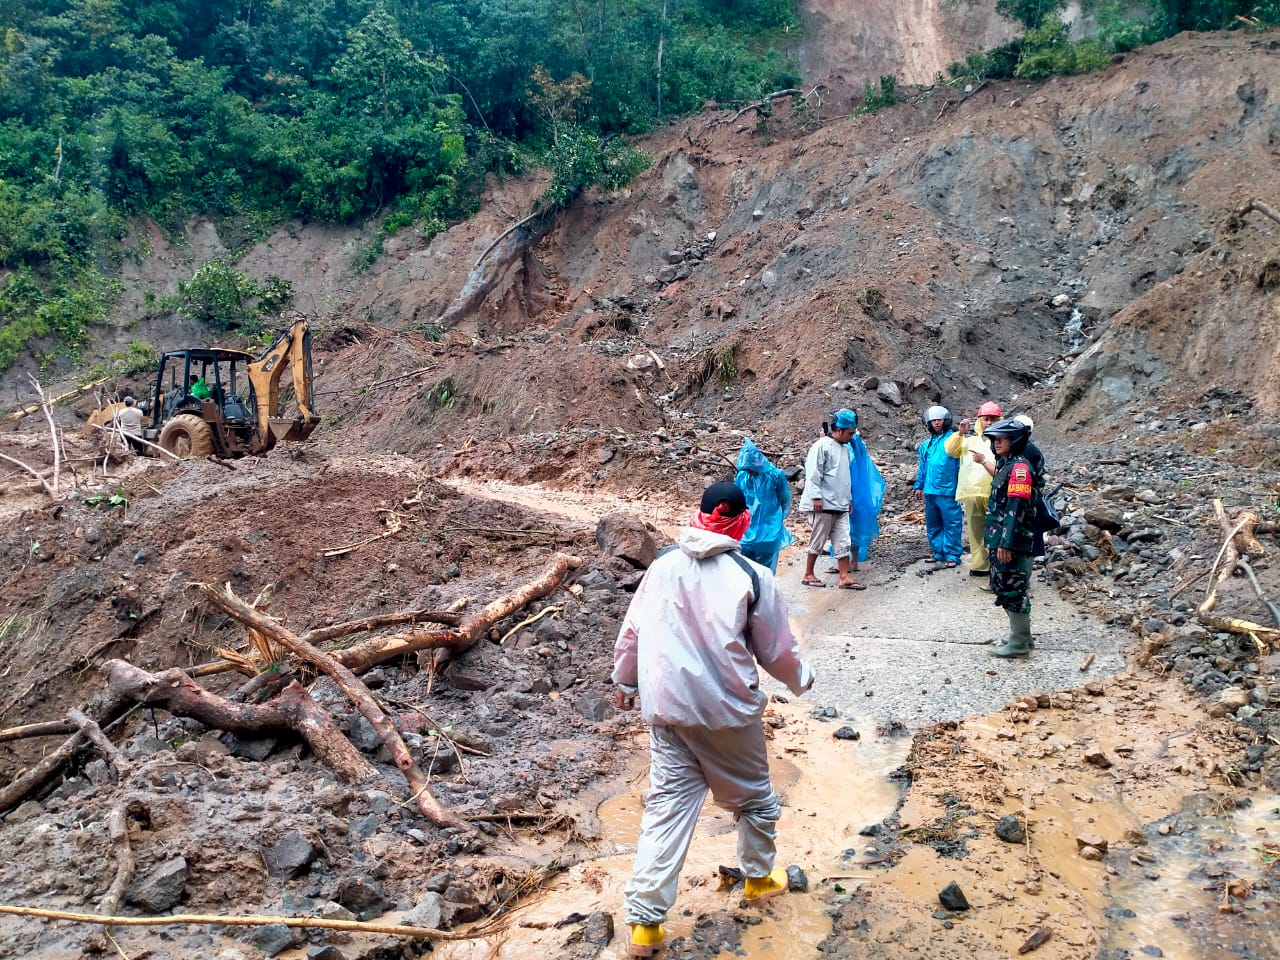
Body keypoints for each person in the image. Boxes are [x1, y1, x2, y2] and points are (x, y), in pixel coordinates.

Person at [613, 481, 815, 957]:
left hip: (666, 710)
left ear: (699, 515)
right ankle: (759, 881)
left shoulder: (662, 566)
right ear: (744, 521)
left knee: (665, 810)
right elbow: (776, 650)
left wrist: (624, 683)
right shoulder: (752, 575)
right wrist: (801, 678)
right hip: (726, 713)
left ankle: (645, 927)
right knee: (755, 801)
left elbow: (633, 630)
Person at [980, 419, 1037, 658]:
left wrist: (1006, 542)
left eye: (1001, 439)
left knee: (1012, 589)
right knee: (1003, 586)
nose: (996, 444)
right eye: (994, 440)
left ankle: (1019, 644)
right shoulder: (1006, 464)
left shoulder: (1019, 469)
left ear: (1015, 441)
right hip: (999, 538)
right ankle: (1023, 637)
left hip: (1011, 541)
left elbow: (1016, 507)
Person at [799, 409, 861, 589]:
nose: (851, 437)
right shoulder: (821, 446)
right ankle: (808, 574)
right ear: (839, 430)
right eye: (849, 433)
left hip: (840, 504)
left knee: (843, 541)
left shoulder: (844, 449)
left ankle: (844, 577)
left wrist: (848, 499)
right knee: (817, 540)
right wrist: (816, 497)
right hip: (823, 504)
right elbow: (813, 474)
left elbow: (844, 477)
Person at [945, 401, 1002, 578]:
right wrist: (960, 433)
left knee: (998, 531)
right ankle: (980, 565)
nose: (990, 423)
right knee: (976, 531)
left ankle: (999, 566)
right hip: (972, 493)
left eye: (994, 419)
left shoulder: (1003, 442)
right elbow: (951, 450)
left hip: (996, 492)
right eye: (986, 419)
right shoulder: (969, 441)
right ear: (979, 421)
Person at [912, 405, 963, 568]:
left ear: (945, 420)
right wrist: (918, 485)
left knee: (951, 522)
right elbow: (923, 466)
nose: (936, 423)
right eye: (933, 420)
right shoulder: (926, 445)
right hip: (930, 490)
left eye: (939, 420)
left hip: (948, 489)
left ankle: (952, 554)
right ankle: (938, 552)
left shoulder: (953, 440)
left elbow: (960, 465)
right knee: (933, 522)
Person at [734, 438, 793, 573]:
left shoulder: (775, 475)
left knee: (766, 569)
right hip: (747, 527)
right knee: (745, 566)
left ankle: (765, 591)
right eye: (747, 469)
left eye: (752, 469)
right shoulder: (742, 476)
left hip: (769, 527)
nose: (750, 472)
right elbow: (737, 499)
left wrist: (778, 519)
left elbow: (784, 499)